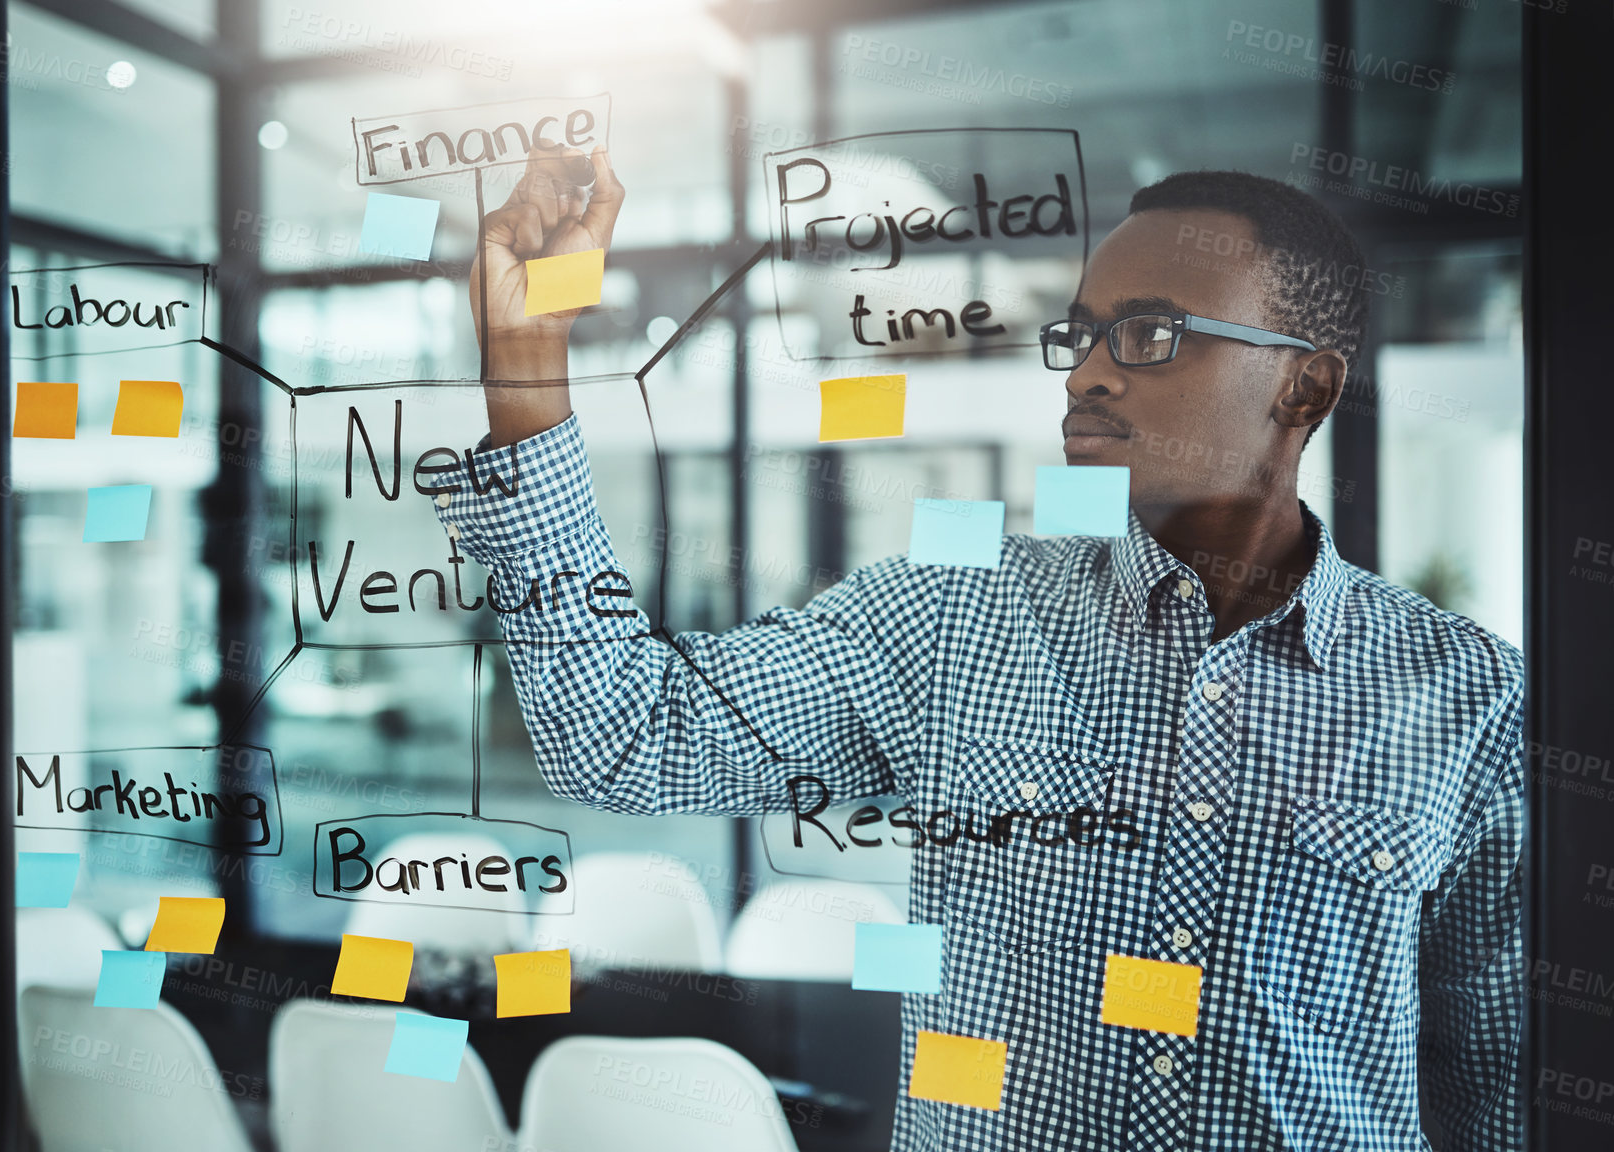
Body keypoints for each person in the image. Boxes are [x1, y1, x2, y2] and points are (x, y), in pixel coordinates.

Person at [429, 147, 1524, 1151]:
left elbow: (1491, 1089)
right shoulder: (953, 618)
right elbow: (622, 735)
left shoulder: (1467, 697)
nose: (1085, 372)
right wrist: (527, 372)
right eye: (1080, 333)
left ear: (1305, 387)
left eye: (1147, 334)